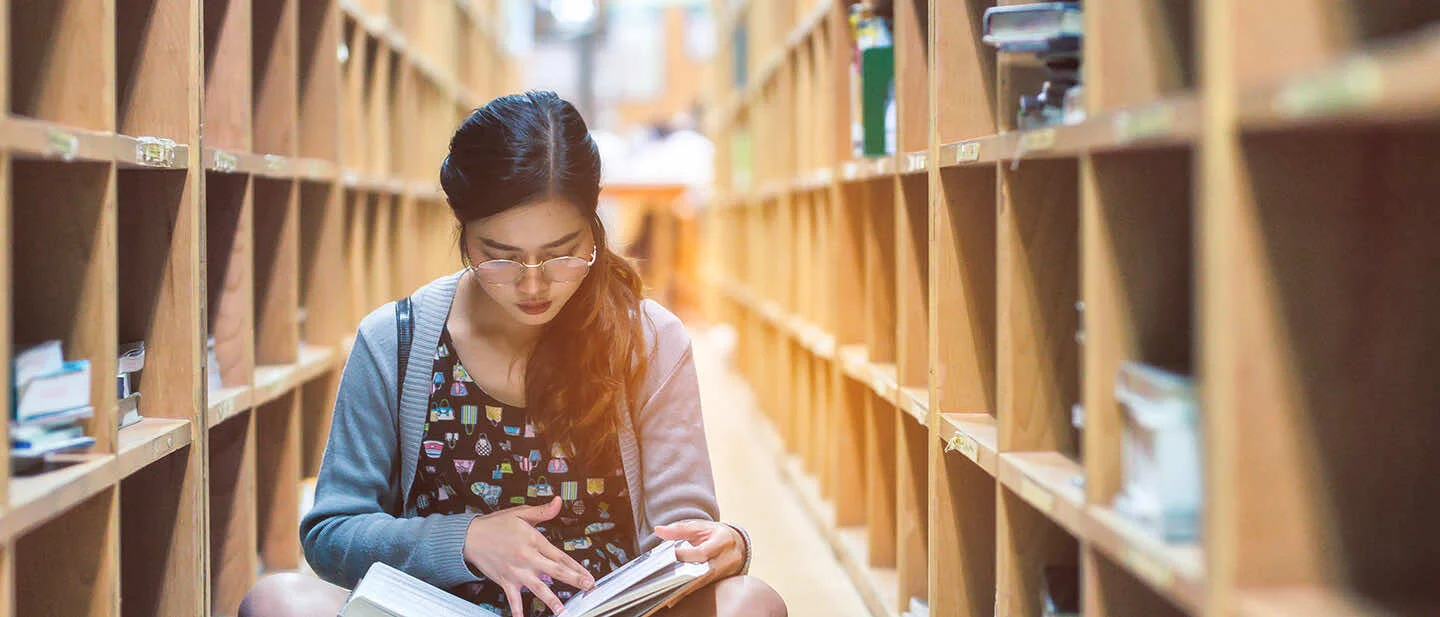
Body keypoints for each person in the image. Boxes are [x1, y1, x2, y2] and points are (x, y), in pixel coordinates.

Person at [239, 91, 786, 617]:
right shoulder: (395, 340)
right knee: (277, 601)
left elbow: (680, 531)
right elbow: (331, 533)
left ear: (595, 226)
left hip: (606, 610)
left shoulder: (648, 338)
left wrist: (723, 547)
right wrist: (465, 539)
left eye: (562, 254)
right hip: (441, 609)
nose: (533, 285)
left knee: (753, 604)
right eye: (499, 257)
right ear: (464, 233)